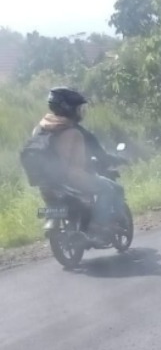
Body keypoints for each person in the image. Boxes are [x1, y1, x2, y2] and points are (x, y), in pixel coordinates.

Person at [22, 87, 120, 239]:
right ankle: (99, 225)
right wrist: (108, 161)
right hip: (73, 179)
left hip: (45, 182)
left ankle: (54, 219)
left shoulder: (39, 128)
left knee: (52, 203)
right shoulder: (75, 132)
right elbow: (84, 159)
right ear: (69, 108)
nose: (81, 111)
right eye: (78, 108)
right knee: (107, 189)